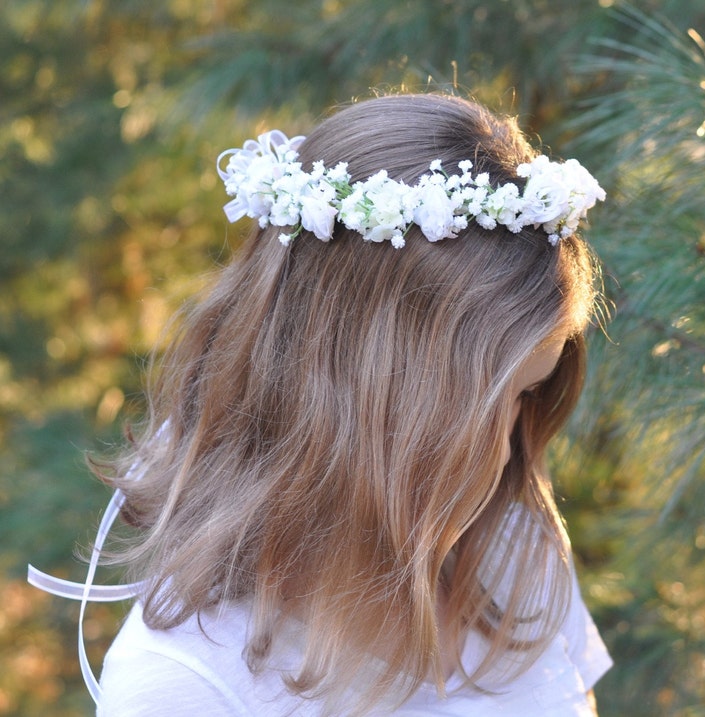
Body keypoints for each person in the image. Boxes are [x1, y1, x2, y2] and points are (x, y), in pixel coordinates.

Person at [32, 93, 611, 715]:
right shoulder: (191, 687)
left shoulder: (509, 552)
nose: (507, 450)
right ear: (347, 399)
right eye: (475, 410)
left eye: (529, 394)